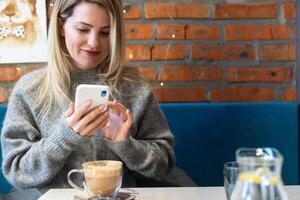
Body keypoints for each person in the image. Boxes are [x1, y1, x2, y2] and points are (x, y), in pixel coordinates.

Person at [1, 0, 195, 199]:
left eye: (105, 32)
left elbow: (163, 165)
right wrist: (64, 138)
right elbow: (17, 171)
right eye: (83, 29)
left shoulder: (134, 87)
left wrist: (125, 144)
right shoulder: (30, 90)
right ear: (61, 27)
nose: (94, 42)